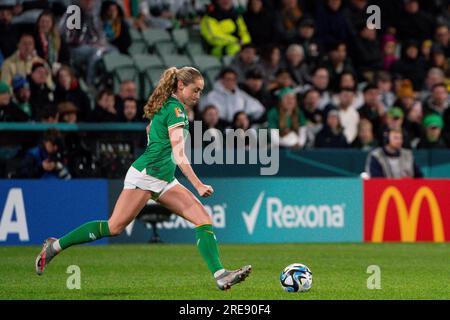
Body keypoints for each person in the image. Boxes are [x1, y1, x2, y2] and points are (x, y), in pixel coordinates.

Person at [35, 67, 252, 291]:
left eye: (200, 91)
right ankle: (55, 246)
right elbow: (179, 154)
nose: (198, 95)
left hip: (165, 179)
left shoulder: (169, 105)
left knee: (203, 218)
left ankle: (220, 275)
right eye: (195, 90)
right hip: (146, 176)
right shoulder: (176, 110)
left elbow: (151, 129)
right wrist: (198, 184)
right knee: (114, 226)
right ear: (180, 86)